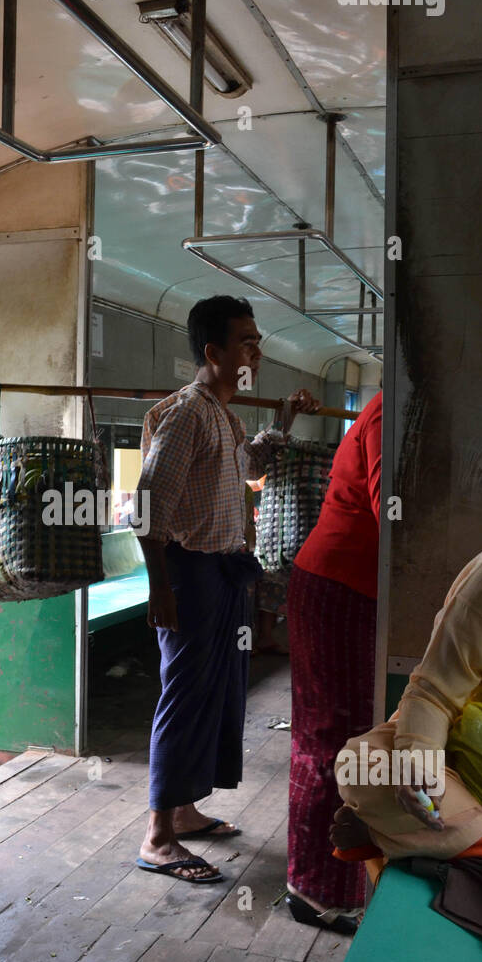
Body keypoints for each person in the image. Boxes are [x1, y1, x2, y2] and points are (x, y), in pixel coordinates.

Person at [134, 295, 319, 883]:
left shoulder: (225, 415)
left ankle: (185, 812)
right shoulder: (189, 413)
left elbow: (244, 465)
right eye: (246, 341)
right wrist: (160, 589)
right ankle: (158, 837)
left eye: (258, 341)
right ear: (213, 352)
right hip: (188, 574)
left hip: (221, 572)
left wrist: (284, 421)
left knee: (213, 695)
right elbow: (148, 505)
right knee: (185, 697)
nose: (256, 352)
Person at [332, 436, 482, 867]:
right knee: (366, 767)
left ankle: (412, 839)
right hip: (475, 749)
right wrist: (418, 765)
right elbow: (433, 694)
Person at [284, 390, 382, 932]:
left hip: (348, 587)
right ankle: (316, 892)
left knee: (342, 736)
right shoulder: (395, 411)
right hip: (340, 587)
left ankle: (332, 883)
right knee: (330, 741)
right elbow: (395, 513)